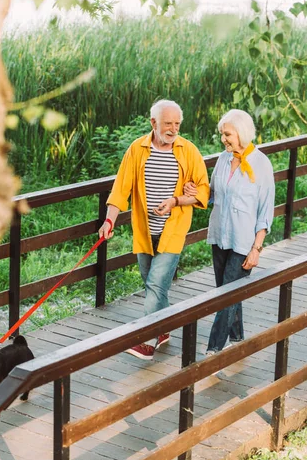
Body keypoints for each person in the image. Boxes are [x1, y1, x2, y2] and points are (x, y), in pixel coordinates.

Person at [99, 99, 209, 361]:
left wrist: (178, 200)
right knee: (152, 286)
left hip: (173, 229)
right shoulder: (137, 149)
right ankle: (164, 329)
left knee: (156, 285)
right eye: (168, 123)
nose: (173, 129)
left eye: (177, 124)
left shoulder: (188, 151)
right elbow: (120, 189)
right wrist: (109, 220)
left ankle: (146, 341)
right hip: (145, 230)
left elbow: (204, 190)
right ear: (153, 123)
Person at [184, 109, 275, 356]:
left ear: (241, 133)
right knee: (229, 291)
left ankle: (214, 348)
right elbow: (212, 194)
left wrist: (256, 248)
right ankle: (237, 338)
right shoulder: (223, 160)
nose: (223, 138)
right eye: (222, 134)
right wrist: (194, 190)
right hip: (220, 236)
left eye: (227, 134)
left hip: (243, 242)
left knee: (225, 296)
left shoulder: (261, 164)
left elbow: (265, 211)